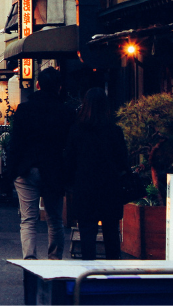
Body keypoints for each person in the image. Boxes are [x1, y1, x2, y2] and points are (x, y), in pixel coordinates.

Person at [8, 67, 76, 259]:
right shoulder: (67, 112)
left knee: (28, 219)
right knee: (54, 219)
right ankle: (54, 259)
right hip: (54, 169)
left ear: (38, 85)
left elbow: (16, 142)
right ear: (59, 87)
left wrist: (12, 171)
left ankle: (30, 260)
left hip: (27, 168)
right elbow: (70, 146)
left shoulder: (24, 109)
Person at [65, 88, 129, 260]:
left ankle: (88, 274)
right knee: (111, 231)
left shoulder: (76, 130)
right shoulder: (114, 131)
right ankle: (113, 272)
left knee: (87, 231)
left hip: (85, 186)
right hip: (110, 187)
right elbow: (123, 161)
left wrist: (70, 183)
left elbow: (69, 160)